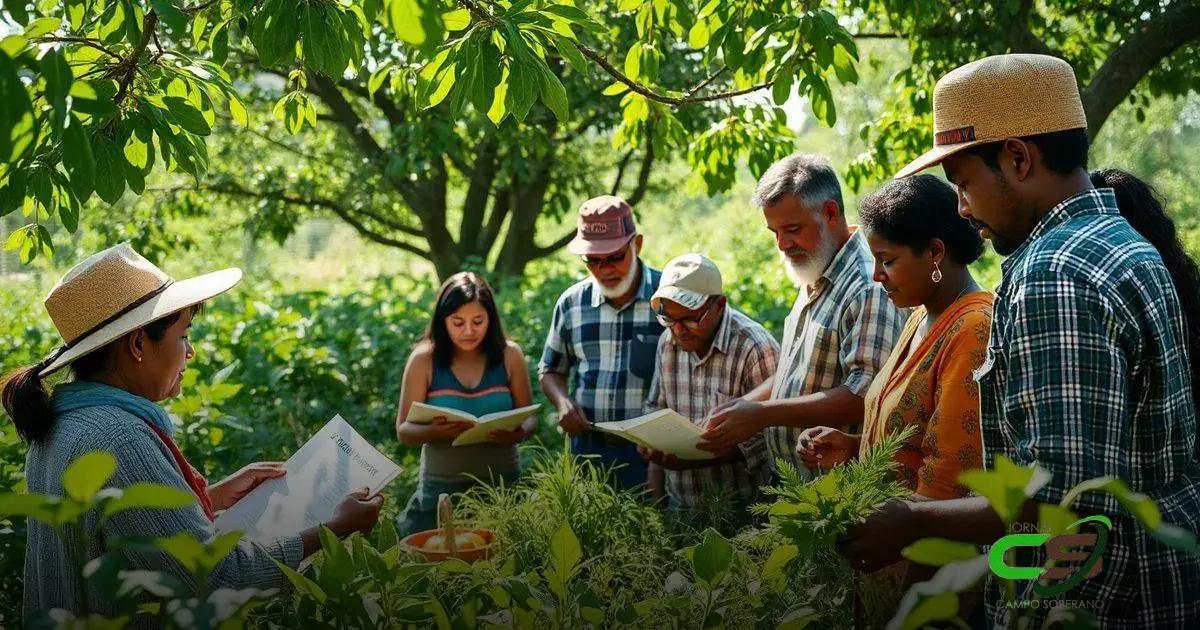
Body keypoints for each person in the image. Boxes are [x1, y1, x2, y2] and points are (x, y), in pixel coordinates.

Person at [838, 54, 1200, 627]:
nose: (962, 208)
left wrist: (914, 519)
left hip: (1092, 604)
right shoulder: (1123, 241)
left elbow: (1066, 495)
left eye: (964, 184)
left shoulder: (1053, 274)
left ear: (1018, 158)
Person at [1, 243, 383, 619]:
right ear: (138, 344)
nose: (191, 351)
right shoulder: (121, 438)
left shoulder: (64, 421)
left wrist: (212, 498)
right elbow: (213, 579)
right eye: (184, 334)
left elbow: (122, 527)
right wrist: (333, 529)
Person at [700, 154, 904, 477]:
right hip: (795, 483)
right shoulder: (814, 268)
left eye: (792, 230)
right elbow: (794, 372)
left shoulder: (867, 287)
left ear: (831, 213)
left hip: (838, 490)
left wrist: (761, 414)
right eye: (774, 232)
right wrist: (739, 408)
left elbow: (864, 395)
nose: (782, 244)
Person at [797, 174, 990, 500]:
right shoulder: (920, 316)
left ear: (935, 252)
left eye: (887, 260)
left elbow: (947, 480)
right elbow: (912, 441)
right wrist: (854, 448)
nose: (876, 275)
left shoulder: (973, 329)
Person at [638, 254, 779, 519]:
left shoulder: (754, 347)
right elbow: (656, 406)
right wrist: (649, 439)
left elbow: (773, 438)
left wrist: (710, 454)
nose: (679, 330)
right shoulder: (668, 342)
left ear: (720, 305)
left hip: (744, 511)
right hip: (681, 506)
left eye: (691, 319)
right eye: (669, 319)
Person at [394, 272, 536, 535]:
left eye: (478, 321)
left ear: (491, 319)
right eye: (458, 323)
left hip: (503, 489)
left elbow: (530, 417)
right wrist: (434, 431)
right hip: (441, 492)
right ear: (442, 321)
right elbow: (403, 431)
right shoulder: (424, 360)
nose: (469, 331)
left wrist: (518, 433)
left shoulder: (510, 355)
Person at [538, 195, 664, 491]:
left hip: (652, 453)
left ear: (637, 245)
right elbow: (551, 369)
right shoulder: (572, 303)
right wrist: (563, 402)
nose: (604, 270)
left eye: (615, 257)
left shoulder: (666, 298)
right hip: (588, 449)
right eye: (592, 261)